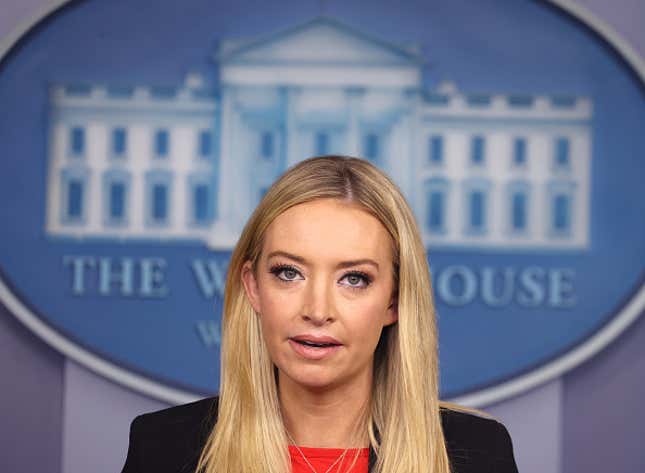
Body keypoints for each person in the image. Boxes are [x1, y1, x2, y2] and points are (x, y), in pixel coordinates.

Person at [121, 156, 519, 473]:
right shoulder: (162, 449)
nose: (317, 310)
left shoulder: (478, 455)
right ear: (254, 287)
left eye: (354, 279)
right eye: (289, 273)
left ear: (394, 301)